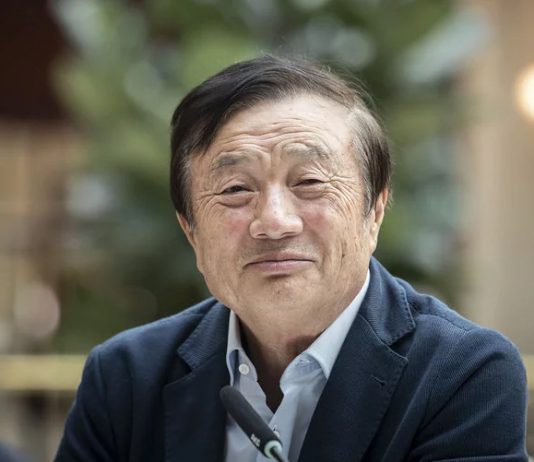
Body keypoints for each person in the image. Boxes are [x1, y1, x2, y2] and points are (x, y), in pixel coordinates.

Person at [55, 56, 528, 462]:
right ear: (191, 231)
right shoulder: (124, 379)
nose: (275, 222)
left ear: (375, 211)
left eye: (310, 182)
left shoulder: (463, 374)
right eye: (235, 189)